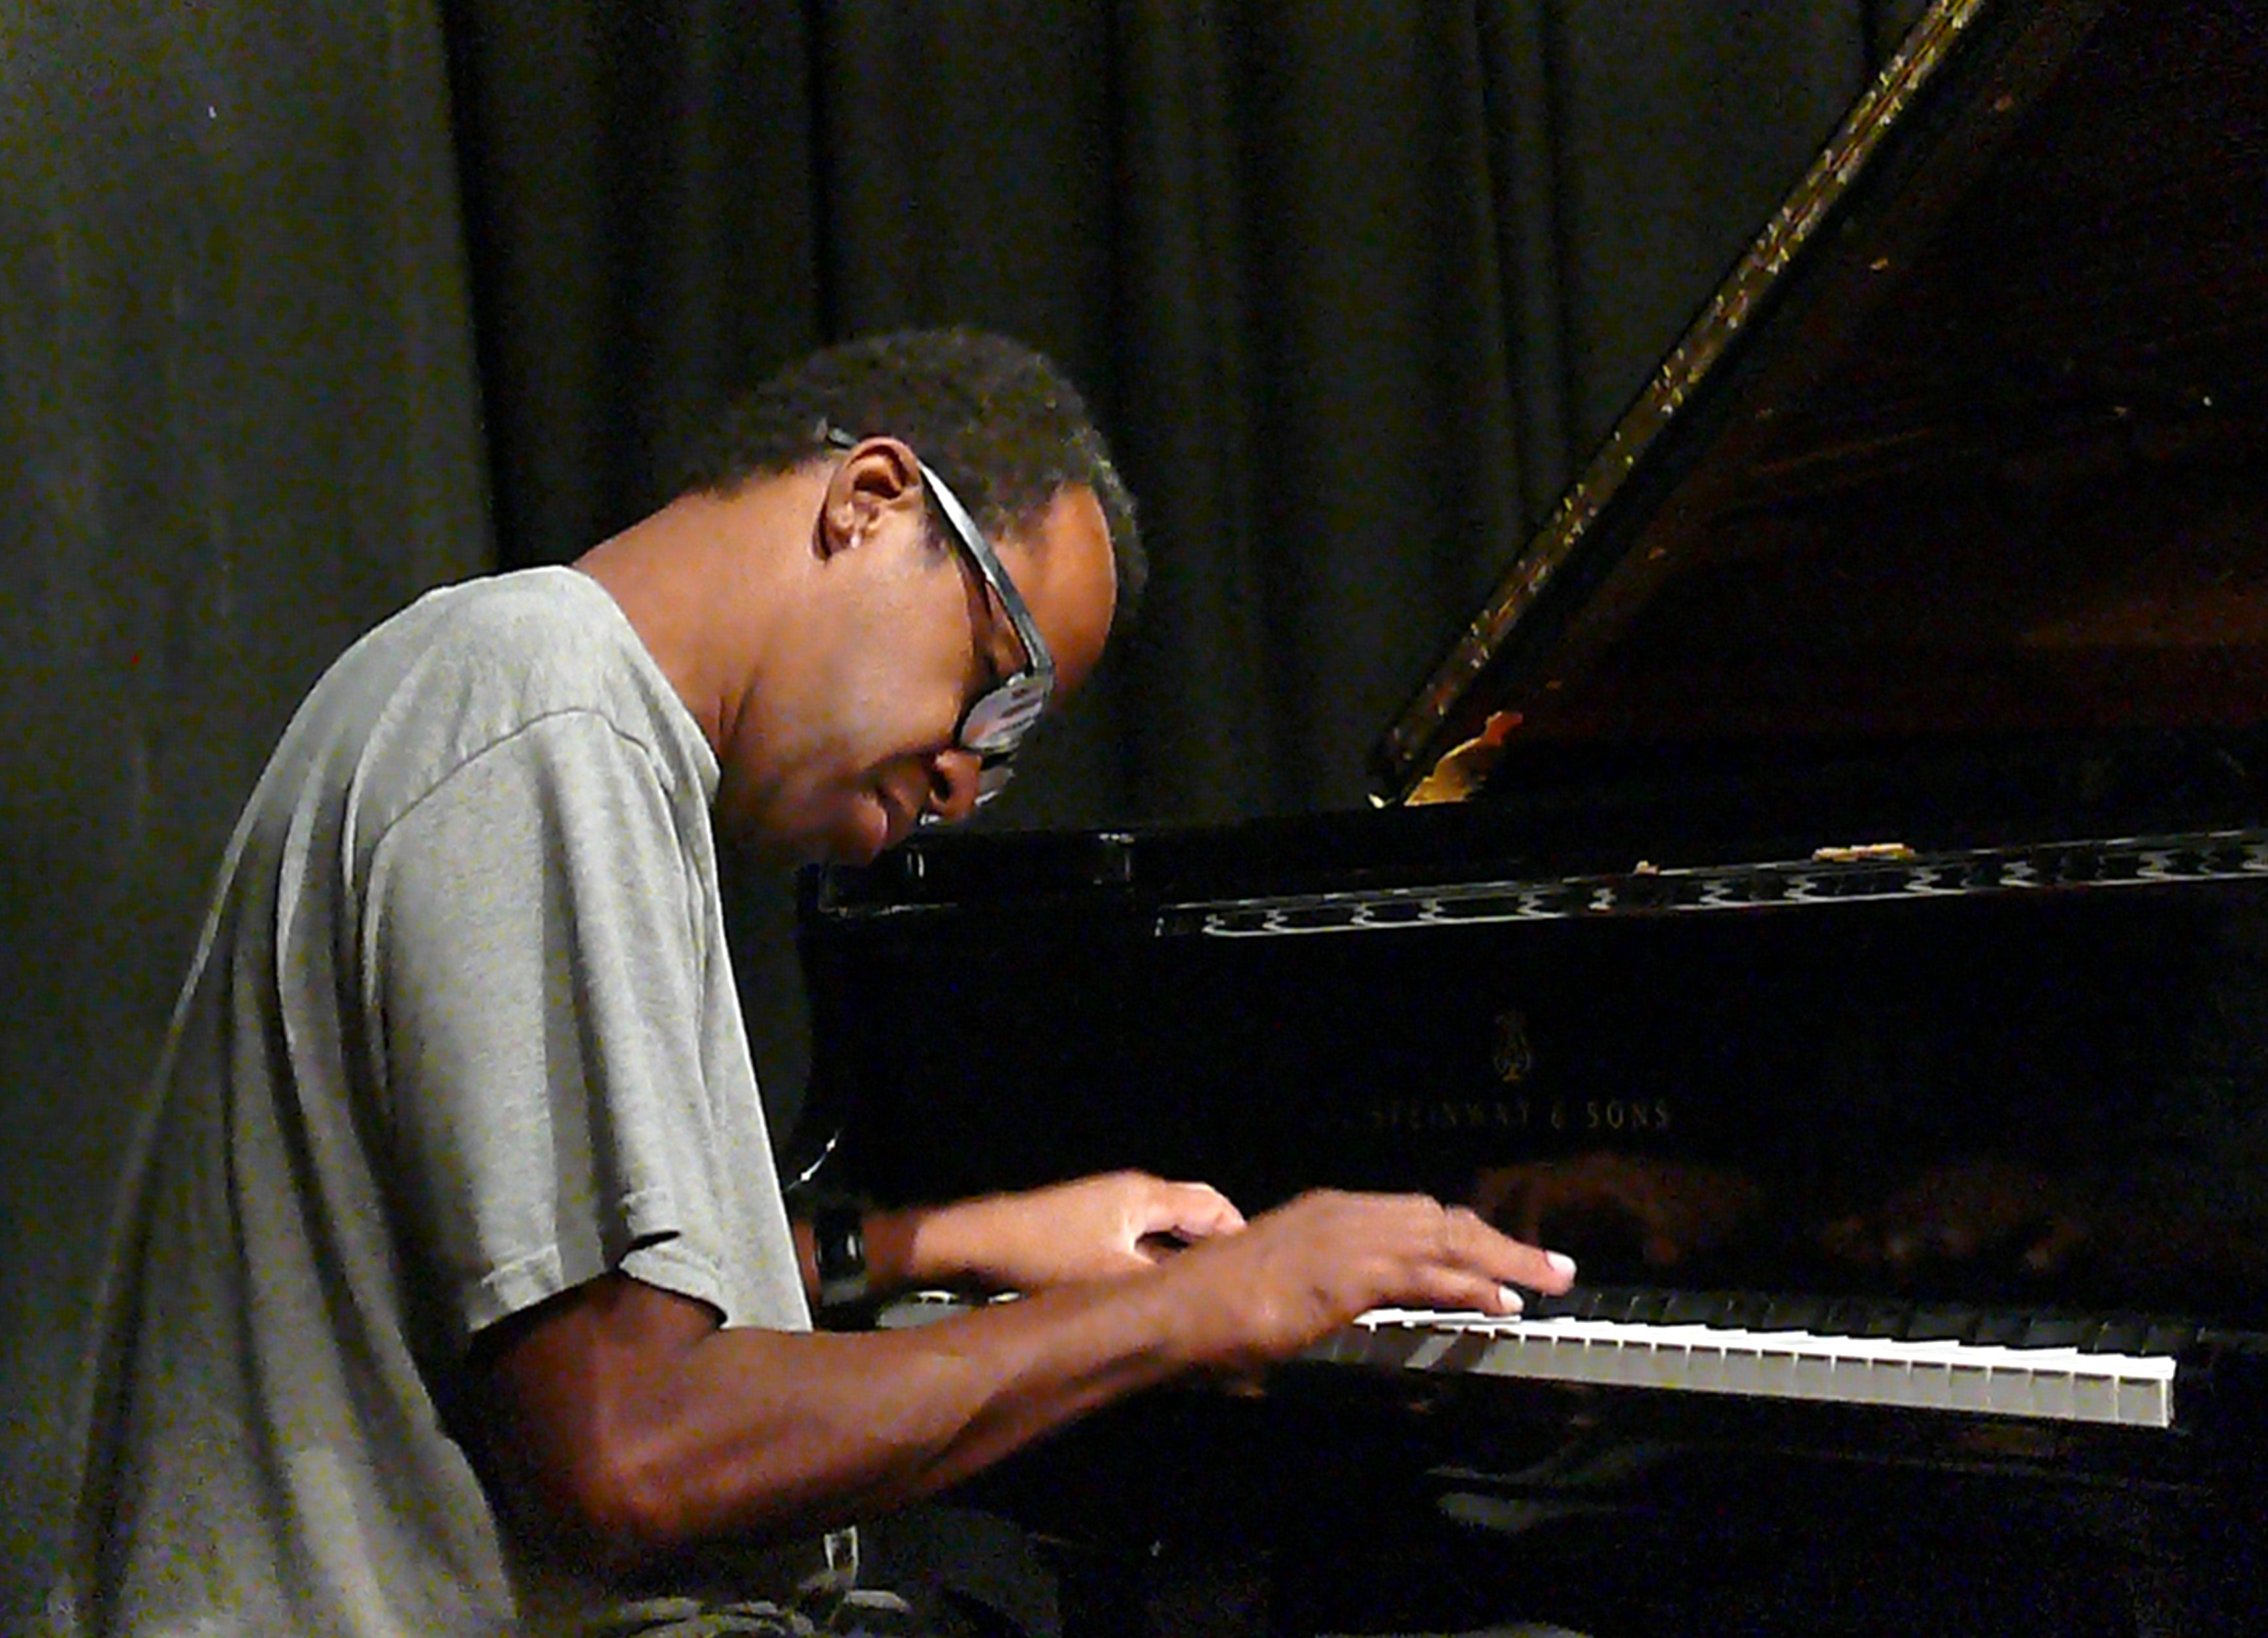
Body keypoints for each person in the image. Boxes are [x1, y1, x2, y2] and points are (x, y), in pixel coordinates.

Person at [48, 328, 1576, 1638]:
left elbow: (578, 1297)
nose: (979, 777)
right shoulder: (550, 719)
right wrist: (1199, 1303)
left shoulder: (535, 701)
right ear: (869, 501)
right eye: (1007, 681)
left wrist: (961, 1236)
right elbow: (629, 1453)